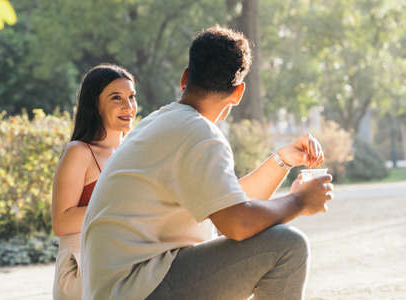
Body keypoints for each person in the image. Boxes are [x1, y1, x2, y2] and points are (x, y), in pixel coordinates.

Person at [81, 26, 333, 300]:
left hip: (126, 287)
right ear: (238, 93)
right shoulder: (198, 133)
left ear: (185, 78)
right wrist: (298, 202)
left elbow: (227, 204)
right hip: (136, 288)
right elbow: (237, 223)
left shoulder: (168, 122)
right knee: (287, 245)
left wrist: (282, 161)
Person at [51, 64, 137, 300]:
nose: (128, 107)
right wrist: (121, 208)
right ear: (95, 104)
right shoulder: (79, 152)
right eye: (116, 98)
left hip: (122, 263)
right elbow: (61, 222)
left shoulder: (133, 150)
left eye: (131, 97)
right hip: (82, 270)